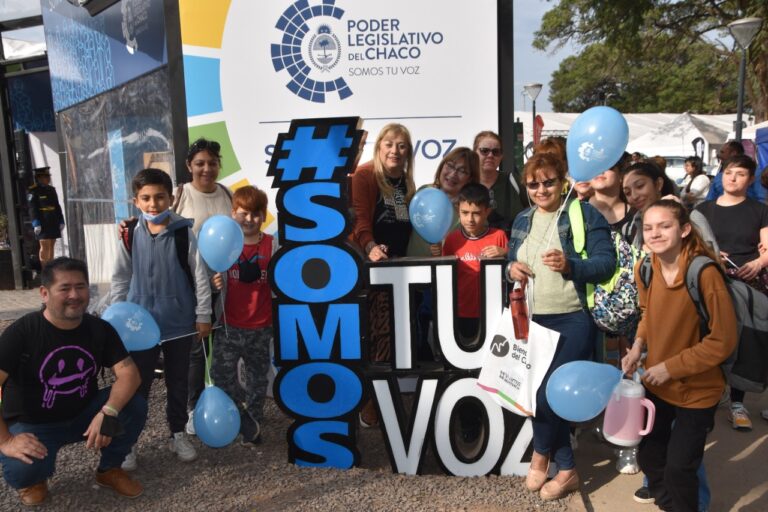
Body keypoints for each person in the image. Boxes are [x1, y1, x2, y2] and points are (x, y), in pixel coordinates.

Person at [506, 153, 615, 501]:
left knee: (548, 394)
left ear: (563, 181)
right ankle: (565, 468)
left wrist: (571, 265)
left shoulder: (583, 214)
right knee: (536, 394)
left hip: (573, 318)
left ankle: (545, 456)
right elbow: (513, 259)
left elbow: (605, 263)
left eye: (548, 181)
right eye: (533, 184)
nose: (541, 189)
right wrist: (511, 268)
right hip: (531, 319)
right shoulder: (522, 219)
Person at [0, 258, 147, 506]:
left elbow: (129, 373)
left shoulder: (99, 329)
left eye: (80, 287)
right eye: (65, 288)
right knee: (22, 469)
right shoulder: (22, 333)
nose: (74, 295)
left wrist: (108, 412)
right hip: (34, 423)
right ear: (45, 293)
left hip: (84, 415)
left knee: (133, 403)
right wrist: (6, 441)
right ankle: (35, 480)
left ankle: (109, 469)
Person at [622, 200, 737, 512]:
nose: (655, 233)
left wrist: (671, 367)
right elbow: (647, 313)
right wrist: (637, 346)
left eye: (664, 225)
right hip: (658, 383)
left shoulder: (704, 272)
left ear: (685, 229)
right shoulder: (646, 267)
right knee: (649, 456)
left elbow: (723, 340)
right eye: (648, 227)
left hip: (698, 390)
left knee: (680, 468)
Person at [111, 168, 212, 469]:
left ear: (171, 198)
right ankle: (128, 442)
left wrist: (203, 314)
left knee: (178, 383)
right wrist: (118, 317)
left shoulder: (184, 233)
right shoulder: (129, 233)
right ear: (135, 200)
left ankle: (177, 433)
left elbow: (200, 275)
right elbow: (120, 277)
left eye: (159, 197)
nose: (153, 204)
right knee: (136, 386)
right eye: (146, 198)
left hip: (179, 324)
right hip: (138, 326)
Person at [695, 155, 768, 431]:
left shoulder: (759, 210)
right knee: (707, 337)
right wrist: (712, 253)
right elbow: (692, 243)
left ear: (750, 180)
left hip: (746, 282)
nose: (732, 178)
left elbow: (766, 247)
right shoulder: (704, 209)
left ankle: (737, 401)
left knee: (743, 341)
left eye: (739, 174)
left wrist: (758, 262)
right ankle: (709, 393)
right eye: (728, 172)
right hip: (709, 280)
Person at [350, 123, 415, 427]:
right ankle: (370, 404)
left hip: (400, 275)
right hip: (371, 274)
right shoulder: (366, 176)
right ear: (379, 148)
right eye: (389, 144)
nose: (395, 150)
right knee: (376, 340)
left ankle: (383, 402)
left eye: (401, 145)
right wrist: (371, 246)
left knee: (393, 341)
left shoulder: (406, 183)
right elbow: (359, 220)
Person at [173, 139, 233, 434]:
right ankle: (193, 408)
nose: (206, 169)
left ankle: (220, 401)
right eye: (200, 163)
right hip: (190, 286)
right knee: (196, 349)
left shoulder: (227, 194)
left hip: (223, 284)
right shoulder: (180, 195)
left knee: (220, 346)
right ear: (189, 166)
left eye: (212, 162)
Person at [210, 186, 277, 446]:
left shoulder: (272, 244)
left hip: (262, 326)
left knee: (258, 378)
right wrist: (215, 281)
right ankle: (242, 416)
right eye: (243, 213)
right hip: (230, 325)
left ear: (264, 215)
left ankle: (254, 419)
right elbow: (209, 274)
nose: (249, 219)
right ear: (233, 213)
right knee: (221, 374)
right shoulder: (224, 244)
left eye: (256, 214)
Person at [442, 183, 508, 341]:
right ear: (458, 210)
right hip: (461, 310)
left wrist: (505, 252)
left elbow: (512, 267)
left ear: (487, 212)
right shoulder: (452, 239)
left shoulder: (499, 236)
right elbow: (444, 276)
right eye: (465, 213)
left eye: (476, 213)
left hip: (492, 310)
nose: (470, 219)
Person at [473, 130, 524, 231]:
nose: (490, 155)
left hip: (513, 245)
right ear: (474, 153)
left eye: (496, 152)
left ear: (501, 156)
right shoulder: (466, 184)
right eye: (484, 151)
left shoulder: (514, 181)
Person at [27, 167, 65, 269]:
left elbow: (57, 206)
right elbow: (32, 208)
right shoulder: (33, 191)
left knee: (52, 244)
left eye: (48, 176)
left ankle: (50, 268)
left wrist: (61, 220)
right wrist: (36, 223)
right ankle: (45, 270)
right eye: (46, 177)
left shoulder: (51, 189)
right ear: (39, 178)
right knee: (45, 245)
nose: (48, 179)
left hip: (52, 220)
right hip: (42, 221)